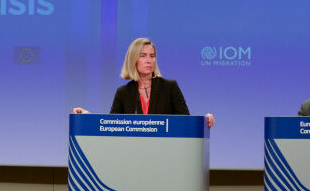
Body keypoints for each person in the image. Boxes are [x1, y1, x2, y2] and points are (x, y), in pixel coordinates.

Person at [73, 38, 215, 128]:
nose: (149, 60)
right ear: (133, 59)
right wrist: (89, 118)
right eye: (143, 56)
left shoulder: (169, 87)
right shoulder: (123, 92)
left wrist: (204, 121)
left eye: (152, 56)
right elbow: (112, 126)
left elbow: (185, 122)